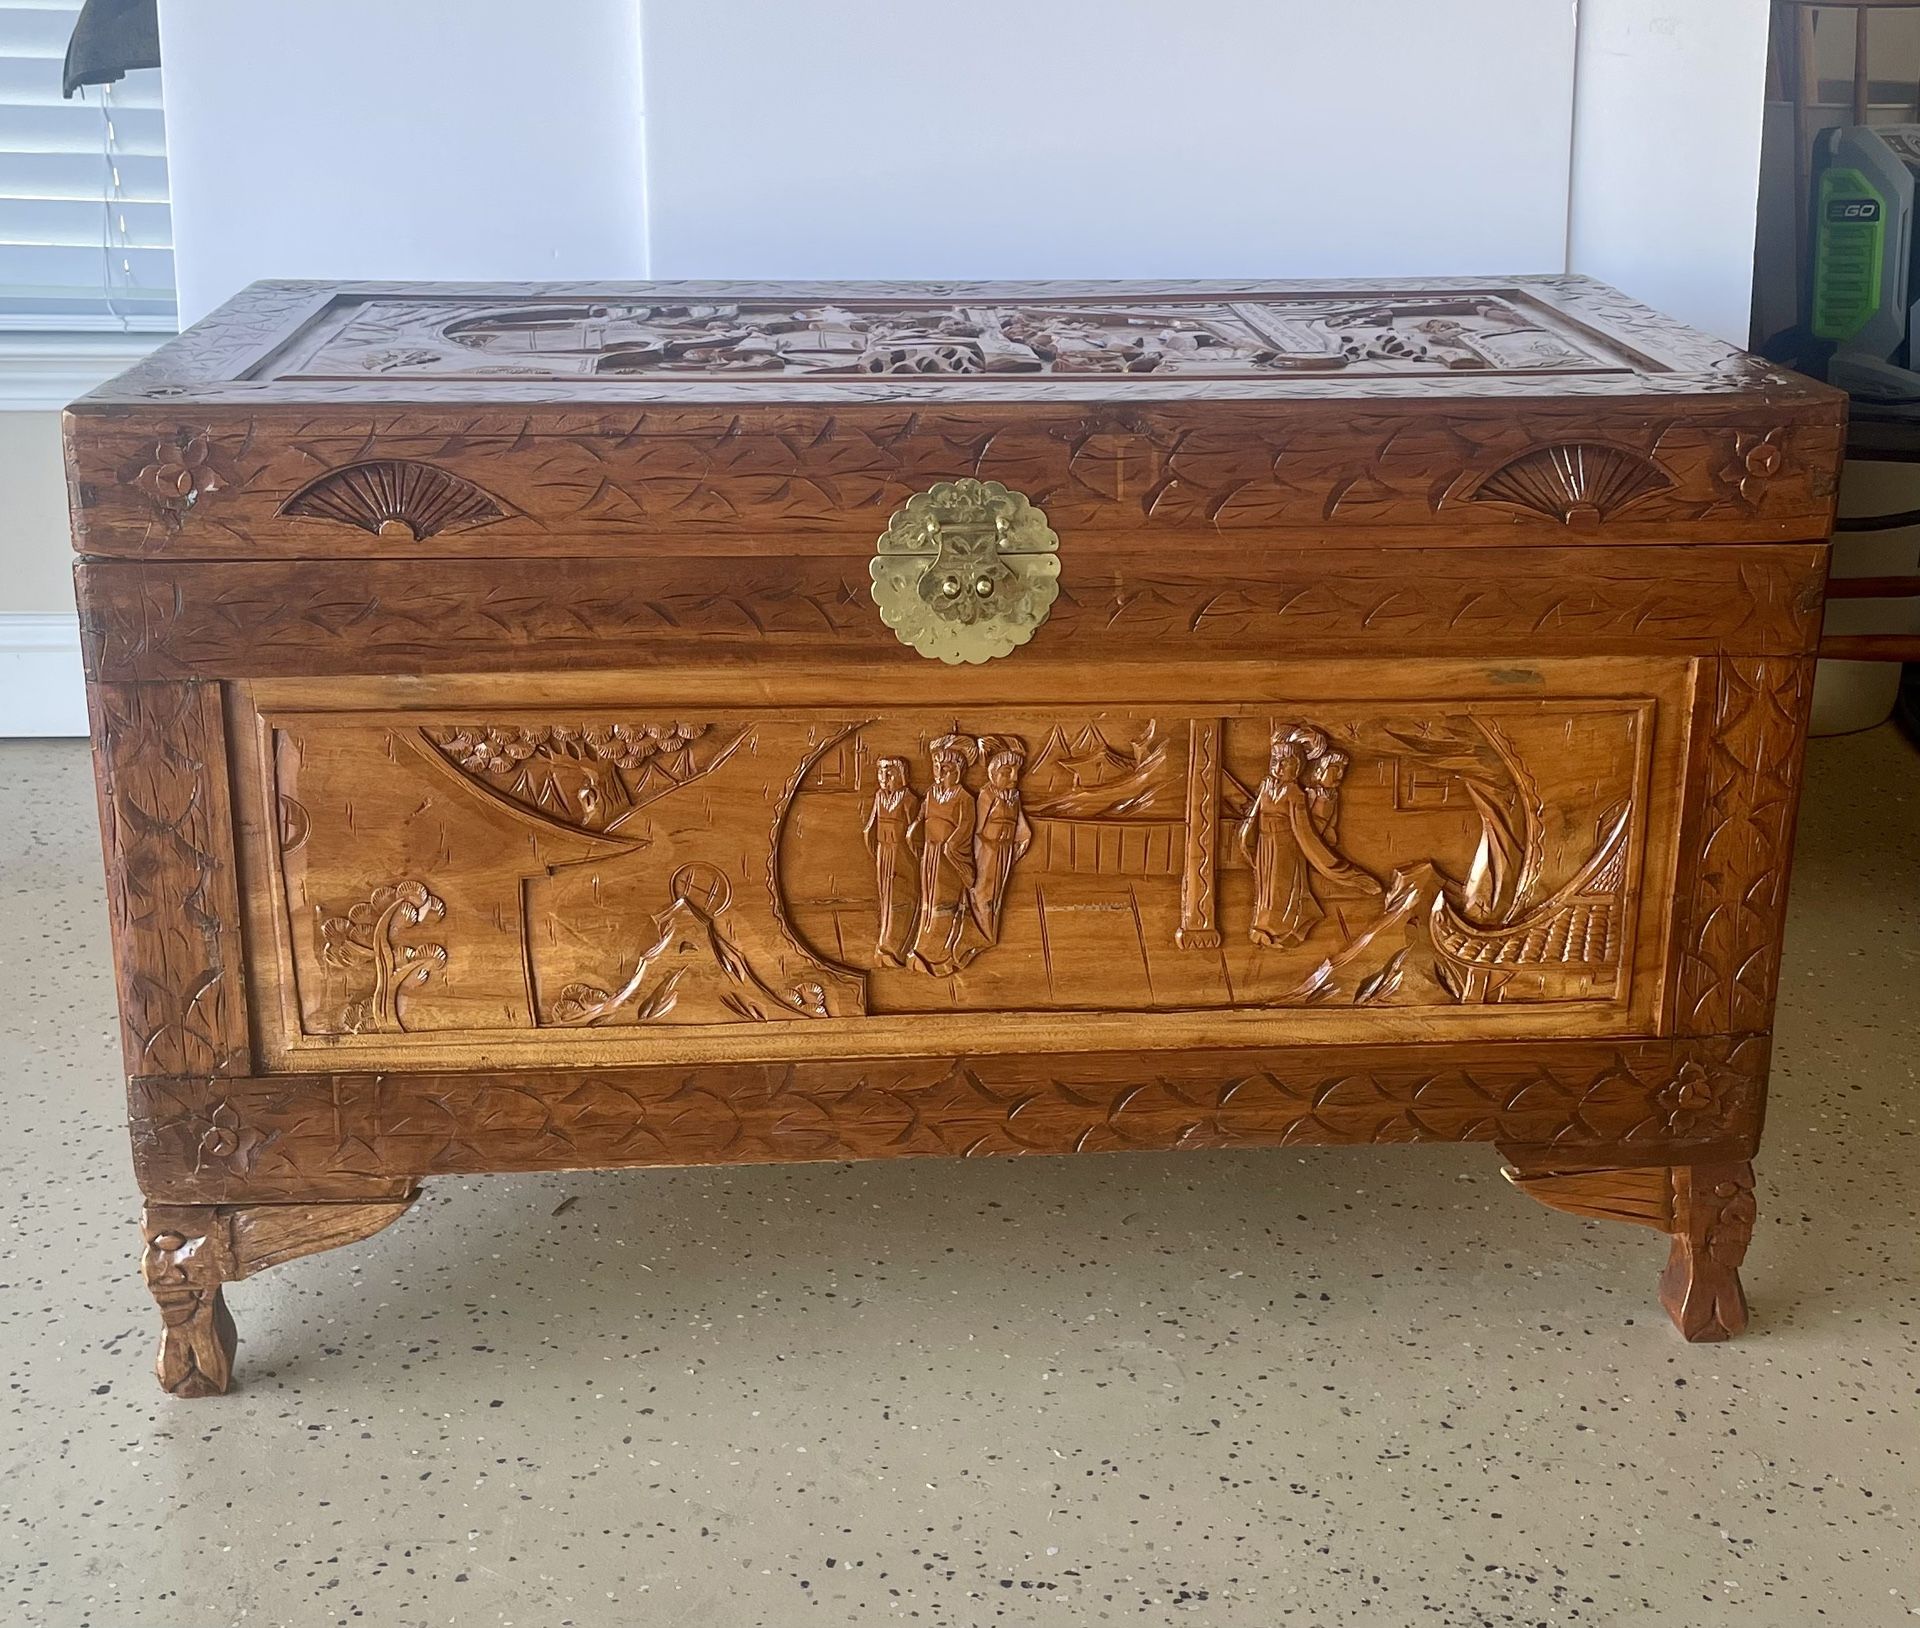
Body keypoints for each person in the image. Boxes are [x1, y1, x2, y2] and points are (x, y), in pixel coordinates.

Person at [1238, 731, 1380, 948]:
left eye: (1285, 763)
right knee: (1266, 890)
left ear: (1296, 767)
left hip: (1287, 848)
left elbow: (1303, 830)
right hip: (1265, 846)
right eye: (1275, 761)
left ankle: (1283, 931)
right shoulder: (1267, 785)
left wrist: (1330, 863)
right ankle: (1262, 927)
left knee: (1282, 891)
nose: (1278, 767)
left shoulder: (1295, 793)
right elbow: (1252, 817)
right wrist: (1247, 840)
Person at [909, 735, 983, 976]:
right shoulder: (931, 794)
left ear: (959, 771)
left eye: (947, 768)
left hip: (949, 859)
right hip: (929, 855)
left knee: (944, 902)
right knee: (928, 901)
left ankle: (939, 953)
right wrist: (915, 832)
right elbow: (922, 818)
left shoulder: (964, 798)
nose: (940, 772)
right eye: (937, 767)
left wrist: (951, 848)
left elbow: (965, 828)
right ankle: (923, 946)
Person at [970, 739, 1031, 942]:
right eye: (1007, 772)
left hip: (1006, 851)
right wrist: (983, 854)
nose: (1014, 778)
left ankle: (991, 933)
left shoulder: (1013, 797)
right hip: (988, 850)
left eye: (1017, 773)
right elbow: (977, 829)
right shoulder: (987, 794)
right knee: (984, 892)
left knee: (998, 895)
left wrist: (1022, 842)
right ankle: (984, 934)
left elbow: (1022, 827)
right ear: (993, 772)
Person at [862, 757, 919, 966]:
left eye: (890, 773)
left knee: (902, 899)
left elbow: (916, 832)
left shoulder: (909, 799)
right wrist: (877, 852)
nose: (884, 778)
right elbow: (870, 828)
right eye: (881, 773)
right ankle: (885, 945)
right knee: (885, 899)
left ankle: (899, 949)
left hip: (902, 855)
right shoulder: (879, 797)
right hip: (884, 853)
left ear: (901, 775)